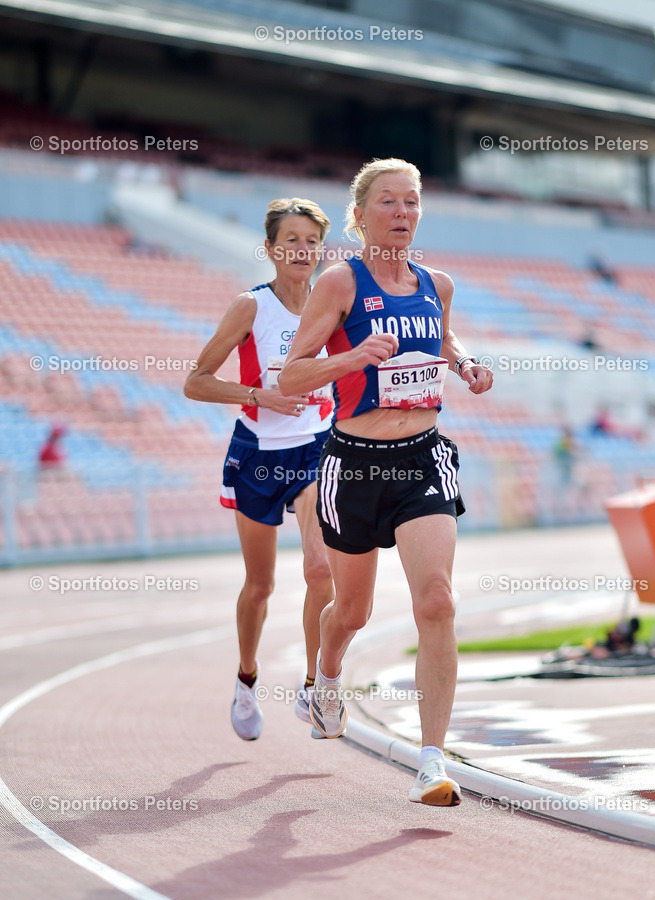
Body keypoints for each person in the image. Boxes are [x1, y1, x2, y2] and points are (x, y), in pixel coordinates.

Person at [279, 158, 493, 805]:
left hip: (424, 459)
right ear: (361, 213)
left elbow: (444, 338)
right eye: (389, 202)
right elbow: (291, 376)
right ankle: (325, 675)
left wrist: (465, 363)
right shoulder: (341, 283)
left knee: (437, 600)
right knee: (353, 610)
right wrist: (352, 356)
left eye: (412, 202)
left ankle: (432, 762)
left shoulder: (438, 283)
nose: (402, 213)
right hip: (355, 464)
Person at [184, 197, 334, 741]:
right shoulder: (251, 307)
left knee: (321, 571)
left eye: (311, 241)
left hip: (317, 449)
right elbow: (195, 381)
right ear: (271, 249)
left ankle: (316, 687)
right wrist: (260, 396)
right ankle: (247, 678)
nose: (302, 250)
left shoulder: (333, 303)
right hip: (258, 455)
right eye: (290, 240)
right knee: (261, 584)